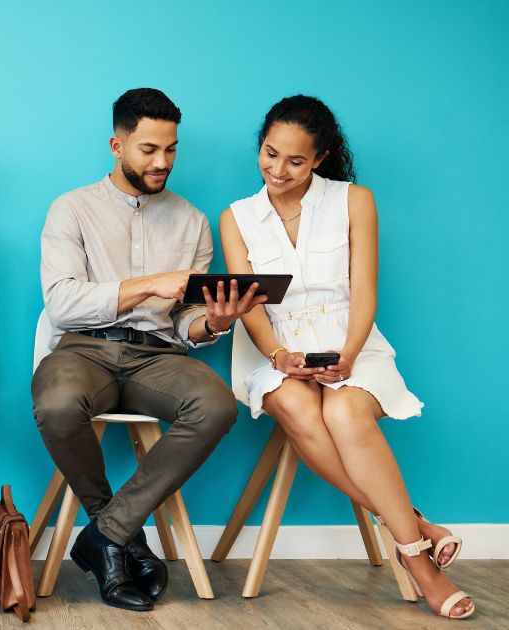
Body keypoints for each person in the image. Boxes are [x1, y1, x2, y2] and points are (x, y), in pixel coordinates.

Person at [219, 95, 474, 620]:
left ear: (320, 157)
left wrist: (348, 355)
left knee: (341, 409)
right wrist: (281, 355)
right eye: (270, 154)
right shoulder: (237, 217)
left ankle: (410, 546)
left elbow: (365, 293)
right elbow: (251, 311)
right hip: (276, 349)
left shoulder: (354, 200)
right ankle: (419, 544)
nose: (279, 170)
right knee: (296, 406)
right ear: (260, 146)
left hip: (352, 341)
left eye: (295, 160)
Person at [31, 88, 262, 611]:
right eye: (149, 150)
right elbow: (63, 303)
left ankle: (105, 537)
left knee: (217, 405)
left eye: (171, 150)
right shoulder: (71, 209)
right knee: (57, 404)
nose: (162, 162)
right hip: (83, 349)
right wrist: (151, 282)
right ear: (117, 144)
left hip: (159, 356)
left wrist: (214, 324)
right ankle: (122, 539)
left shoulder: (194, 221)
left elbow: (184, 321)